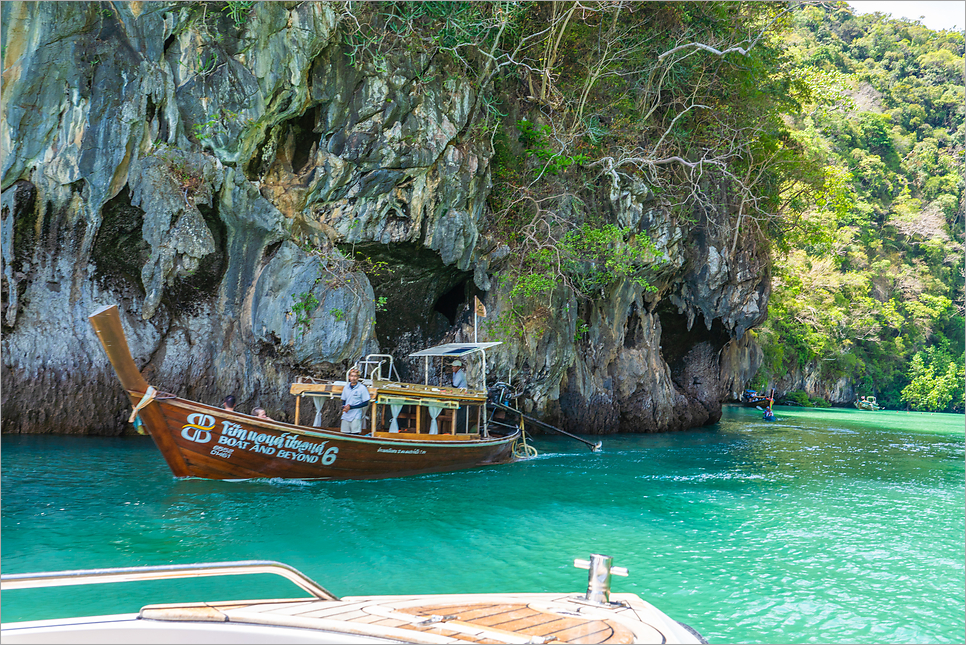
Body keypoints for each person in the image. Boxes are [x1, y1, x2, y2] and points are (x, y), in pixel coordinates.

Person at [340, 368, 370, 434]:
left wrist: (351, 407)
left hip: (356, 414)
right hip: (346, 414)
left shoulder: (362, 388)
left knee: (355, 433)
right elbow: (344, 399)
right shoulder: (346, 387)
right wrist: (344, 407)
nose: (353, 378)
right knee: (344, 433)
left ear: (358, 377)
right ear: (349, 377)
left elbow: (365, 402)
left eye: (355, 376)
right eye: (352, 376)